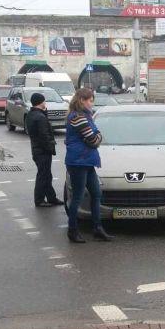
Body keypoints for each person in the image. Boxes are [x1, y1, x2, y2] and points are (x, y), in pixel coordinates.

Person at [65, 87, 112, 243]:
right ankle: (73, 230)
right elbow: (94, 139)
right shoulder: (78, 117)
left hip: (86, 160)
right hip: (78, 161)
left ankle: (97, 228)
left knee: (96, 193)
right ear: (82, 101)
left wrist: (95, 137)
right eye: (90, 101)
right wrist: (95, 138)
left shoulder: (85, 116)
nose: (92, 104)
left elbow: (95, 135)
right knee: (78, 197)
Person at [26, 92, 63, 208]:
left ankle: (51, 198)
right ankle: (39, 200)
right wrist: (51, 147)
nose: (45, 103)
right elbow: (44, 136)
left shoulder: (31, 114)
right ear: (40, 102)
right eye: (44, 101)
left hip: (37, 150)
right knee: (43, 175)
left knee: (46, 175)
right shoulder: (40, 117)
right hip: (42, 151)